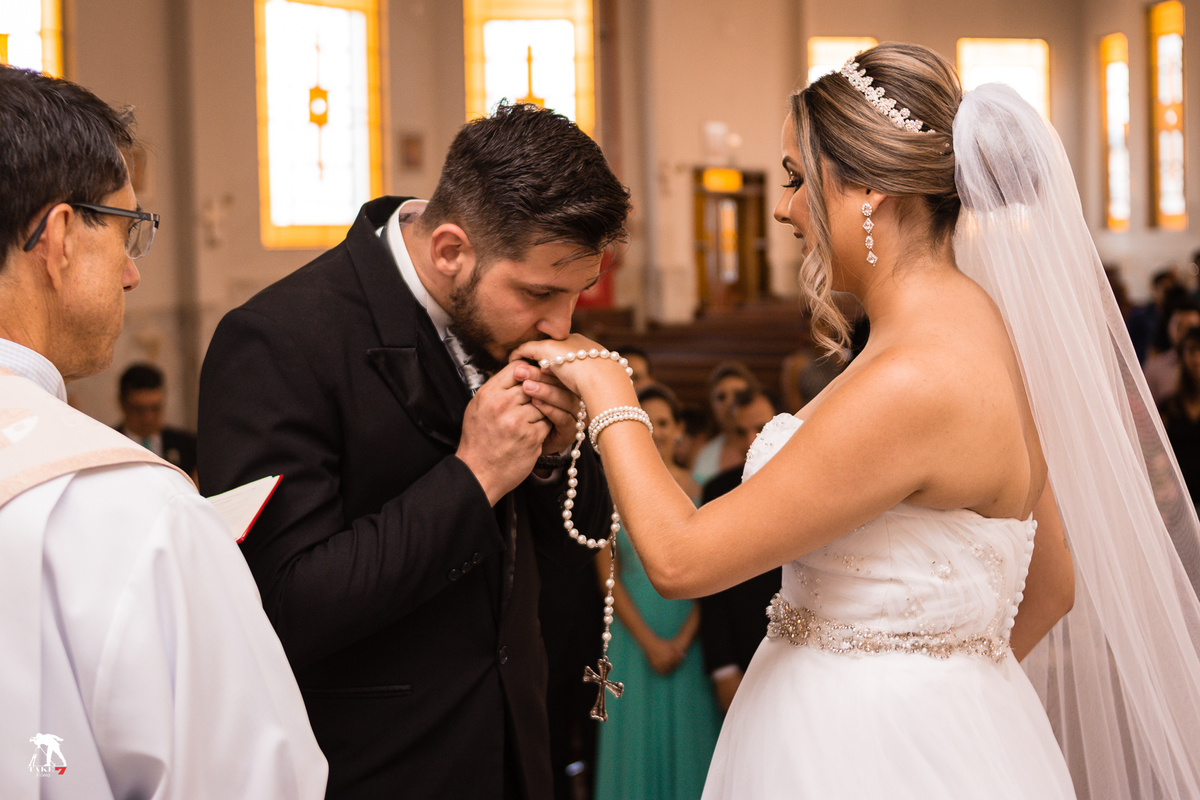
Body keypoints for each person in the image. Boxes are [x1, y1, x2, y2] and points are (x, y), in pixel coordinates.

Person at [515, 43, 1200, 799]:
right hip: (928, 738)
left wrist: (610, 390)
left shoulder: (915, 379)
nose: (783, 207)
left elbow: (680, 561)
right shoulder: (985, 336)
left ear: (868, 189)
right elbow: (1054, 581)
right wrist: (954, 694)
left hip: (854, 754)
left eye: (797, 179)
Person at [198, 102, 631, 800]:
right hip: (375, 768)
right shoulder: (277, 341)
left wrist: (551, 460)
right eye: (539, 292)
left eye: (577, 293)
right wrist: (474, 476)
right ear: (451, 250)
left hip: (517, 752)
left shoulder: (507, 325)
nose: (561, 324)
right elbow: (282, 606)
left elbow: (560, 568)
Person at [0, 65, 325, 800]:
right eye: (128, 233)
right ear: (56, 239)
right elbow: (255, 784)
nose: (132, 276)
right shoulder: (132, 513)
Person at [593, 383, 720, 800]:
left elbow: (719, 571)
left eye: (663, 422)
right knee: (635, 740)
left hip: (690, 636)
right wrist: (649, 642)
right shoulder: (613, 493)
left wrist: (682, 639)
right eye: (646, 423)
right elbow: (607, 576)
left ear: (679, 429)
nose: (656, 431)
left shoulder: (704, 490)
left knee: (691, 738)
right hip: (634, 638)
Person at [698, 389, 783, 713]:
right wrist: (723, 668)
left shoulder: (811, 482)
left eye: (760, 428)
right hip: (742, 647)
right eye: (740, 431)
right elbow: (712, 585)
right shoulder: (717, 490)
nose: (752, 439)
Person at [116, 362, 198, 477]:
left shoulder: (188, 446)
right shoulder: (108, 446)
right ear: (122, 403)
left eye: (155, 408)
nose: (148, 418)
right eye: (139, 410)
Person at [690, 362, 758, 486]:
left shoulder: (770, 443)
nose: (729, 402)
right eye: (721, 397)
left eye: (738, 394)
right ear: (712, 404)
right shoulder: (705, 454)